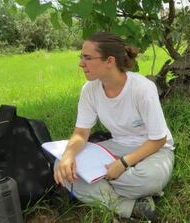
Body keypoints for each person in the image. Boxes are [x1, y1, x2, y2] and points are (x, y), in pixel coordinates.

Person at [53, 32, 174, 221]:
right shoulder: (89, 90)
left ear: (109, 61)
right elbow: (81, 132)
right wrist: (68, 156)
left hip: (154, 148)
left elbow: (159, 139)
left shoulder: (142, 88)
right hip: (118, 145)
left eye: (87, 58)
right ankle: (128, 205)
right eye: (81, 57)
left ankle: (106, 189)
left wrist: (123, 163)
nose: (81, 64)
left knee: (147, 179)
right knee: (60, 166)